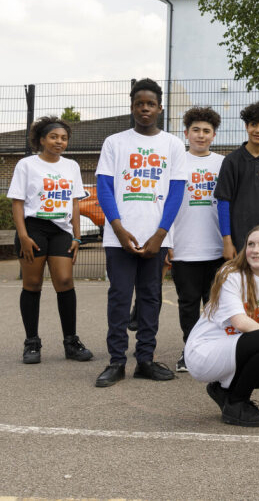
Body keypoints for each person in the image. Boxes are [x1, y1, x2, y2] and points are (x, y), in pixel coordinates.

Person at [94, 78, 187, 387]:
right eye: (139, 103)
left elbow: (176, 192)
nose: (144, 108)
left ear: (159, 108)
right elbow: (104, 188)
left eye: (150, 103)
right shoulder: (115, 142)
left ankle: (145, 359)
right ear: (132, 107)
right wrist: (118, 228)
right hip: (119, 236)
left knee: (150, 297)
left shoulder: (173, 144)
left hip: (155, 236)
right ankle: (117, 361)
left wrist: (161, 234)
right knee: (119, 297)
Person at [184, 224, 259, 427]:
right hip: (206, 351)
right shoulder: (231, 274)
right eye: (251, 244)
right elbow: (239, 322)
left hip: (235, 350)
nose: (255, 250)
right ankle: (237, 404)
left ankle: (224, 391)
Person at [8, 116, 91, 364]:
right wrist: (23, 236)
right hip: (34, 228)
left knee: (65, 281)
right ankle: (32, 342)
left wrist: (77, 236)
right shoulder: (26, 165)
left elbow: (75, 203)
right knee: (32, 284)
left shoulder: (71, 166)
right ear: (42, 139)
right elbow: (17, 202)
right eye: (54, 137)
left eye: (64, 138)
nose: (59, 141)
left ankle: (71, 342)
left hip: (61, 230)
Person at [169, 107, 226, 373]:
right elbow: (165, 204)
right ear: (186, 133)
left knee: (214, 304)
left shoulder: (223, 163)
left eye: (206, 131)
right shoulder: (176, 161)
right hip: (184, 247)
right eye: (195, 130)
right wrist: (167, 241)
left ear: (214, 135)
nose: (200, 136)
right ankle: (189, 349)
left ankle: (211, 349)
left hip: (216, 247)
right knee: (188, 303)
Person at [214, 101, 259, 260]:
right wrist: (227, 241)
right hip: (240, 242)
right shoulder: (231, 161)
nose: (258, 130)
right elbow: (223, 202)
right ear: (246, 126)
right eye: (254, 124)